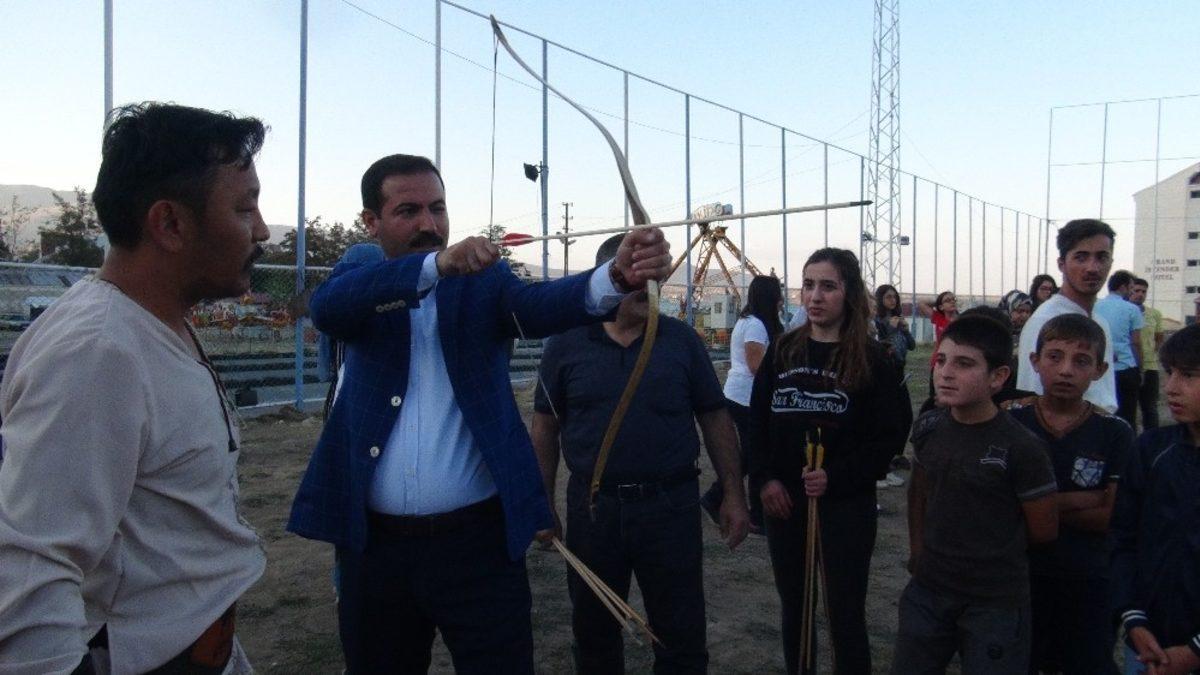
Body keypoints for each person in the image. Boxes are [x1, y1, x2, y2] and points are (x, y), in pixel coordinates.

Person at [286, 153, 671, 672]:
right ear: (371, 222)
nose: (429, 224)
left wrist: (617, 277)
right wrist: (433, 267)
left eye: (437, 208)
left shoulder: (481, 282)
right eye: (408, 211)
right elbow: (329, 307)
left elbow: (539, 306)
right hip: (377, 551)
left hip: (478, 546)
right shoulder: (362, 275)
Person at [0, 103, 270, 673]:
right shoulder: (96, 353)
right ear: (169, 224)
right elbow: (31, 570)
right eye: (245, 208)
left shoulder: (155, 323)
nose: (262, 230)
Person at [531, 235, 750, 674]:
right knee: (594, 634)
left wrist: (734, 494)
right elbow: (545, 427)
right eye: (636, 282)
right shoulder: (567, 344)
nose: (650, 293)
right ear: (608, 282)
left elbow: (714, 418)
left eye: (655, 282)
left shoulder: (681, 341)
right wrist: (541, 503)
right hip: (594, 509)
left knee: (681, 636)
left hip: (670, 508)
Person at [748, 248, 910, 674]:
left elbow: (889, 436)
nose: (815, 296)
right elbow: (757, 422)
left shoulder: (873, 359)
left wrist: (837, 476)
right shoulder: (783, 351)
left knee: (845, 611)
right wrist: (764, 480)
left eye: (828, 286)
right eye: (808, 285)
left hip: (845, 506)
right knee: (796, 607)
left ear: (848, 293)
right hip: (785, 502)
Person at [892, 314, 1059, 674]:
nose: (945, 373)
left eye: (964, 364)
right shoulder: (929, 427)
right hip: (930, 589)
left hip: (994, 600)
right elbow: (919, 493)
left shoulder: (1021, 447)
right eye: (941, 360)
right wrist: (918, 550)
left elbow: (1043, 529)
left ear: (998, 377)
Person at [1005, 314, 1131, 675]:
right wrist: (1082, 499)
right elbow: (997, 507)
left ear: (1100, 370)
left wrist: (1031, 504)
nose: (1065, 370)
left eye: (1081, 361)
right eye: (1055, 356)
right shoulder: (1011, 422)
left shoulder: (1115, 432)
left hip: (1089, 578)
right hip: (1020, 576)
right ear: (1034, 361)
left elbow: (1109, 516)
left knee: (1088, 663)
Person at [1110, 324, 1200, 675]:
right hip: (1149, 644)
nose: (1171, 387)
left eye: (1188, 375)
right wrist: (1133, 618)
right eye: (1169, 372)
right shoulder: (1151, 450)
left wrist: (1194, 652)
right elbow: (1122, 538)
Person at [701, 274, 783, 532]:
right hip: (746, 397)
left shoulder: (748, 321)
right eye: (779, 295)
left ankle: (717, 498)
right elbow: (755, 364)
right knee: (756, 455)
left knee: (750, 454)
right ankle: (753, 513)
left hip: (741, 395)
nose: (782, 300)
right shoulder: (756, 325)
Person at [1017, 219, 1119, 413]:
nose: (1092, 268)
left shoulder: (1100, 322)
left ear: (1111, 262)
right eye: (1081, 258)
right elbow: (1034, 396)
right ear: (1061, 264)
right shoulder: (1045, 321)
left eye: (1101, 257)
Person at [873, 283, 915, 487]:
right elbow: (878, 344)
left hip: (899, 370)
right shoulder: (878, 321)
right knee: (890, 417)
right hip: (886, 371)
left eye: (894, 297)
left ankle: (896, 455)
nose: (892, 300)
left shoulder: (899, 319)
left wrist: (905, 330)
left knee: (906, 415)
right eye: (888, 297)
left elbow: (912, 346)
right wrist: (891, 327)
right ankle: (885, 462)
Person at [1093, 270, 1144, 428]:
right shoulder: (1132, 309)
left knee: (1102, 414)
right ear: (1123, 287)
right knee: (1127, 416)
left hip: (1100, 369)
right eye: (1131, 288)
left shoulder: (1095, 306)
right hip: (1126, 367)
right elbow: (1136, 342)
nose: (1132, 292)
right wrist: (1140, 367)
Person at [1129, 277, 1164, 430]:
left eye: (1143, 291)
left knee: (1150, 408)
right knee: (1128, 408)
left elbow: (1159, 337)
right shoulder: (1124, 311)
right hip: (1129, 366)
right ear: (1130, 291)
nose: (1140, 294)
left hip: (1150, 367)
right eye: (1137, 290)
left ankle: (1153, 441)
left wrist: (1152, 352)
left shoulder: (1154, 314)